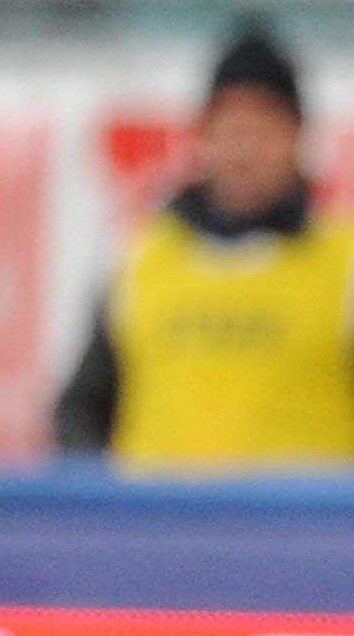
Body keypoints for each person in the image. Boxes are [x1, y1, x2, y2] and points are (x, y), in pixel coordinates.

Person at [55, 28, 354, 463]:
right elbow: (82, 410)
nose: (244, 151)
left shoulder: (342, 261)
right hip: (159, 527)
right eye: (230, 129)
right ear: (204, 137)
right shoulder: (141, 256)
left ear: (298, 138)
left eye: (263, 130)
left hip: (299, 529)